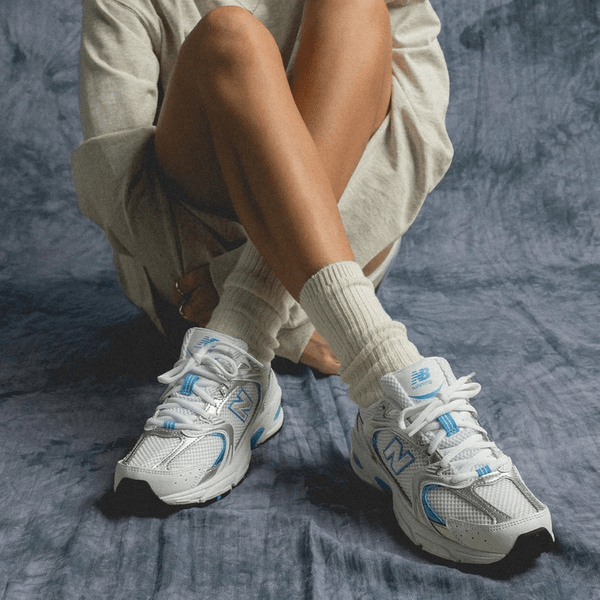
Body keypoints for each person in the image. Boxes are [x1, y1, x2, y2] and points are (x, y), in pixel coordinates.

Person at [71, 0, 554, 565]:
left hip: (293, 261)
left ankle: (245, 330)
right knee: (229, 36)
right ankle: (380, 367)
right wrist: (297, 323)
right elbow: (118, 184)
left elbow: (415, 143)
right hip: (187, 276)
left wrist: (240, 289)